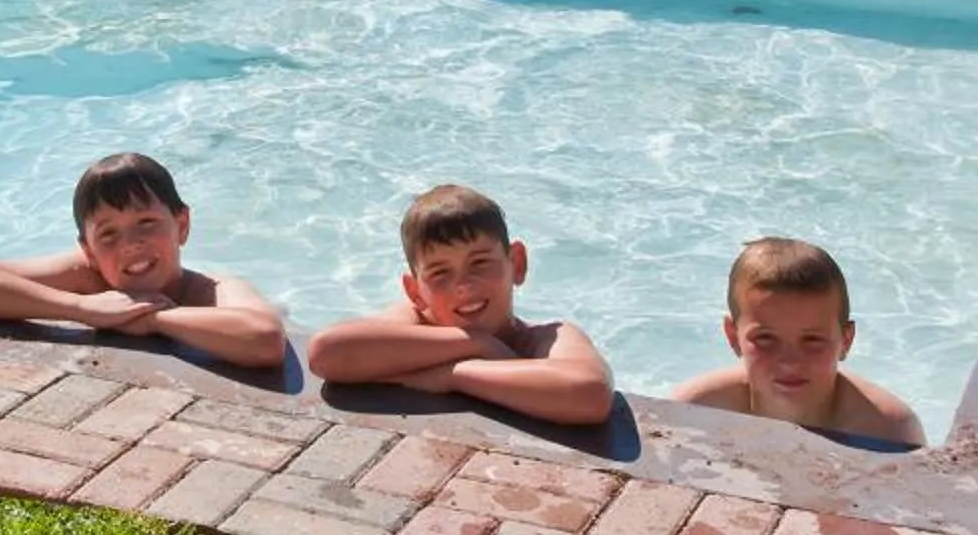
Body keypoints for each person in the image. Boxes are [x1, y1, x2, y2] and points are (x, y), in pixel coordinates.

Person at [0, 152, 288, 370]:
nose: (131, 244)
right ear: (88, 249)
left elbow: (265, 341)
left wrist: (154, 319)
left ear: (182, 225)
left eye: (146, 223)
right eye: (108, 234)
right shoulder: (88, 277)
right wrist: (82, 308)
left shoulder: (212, 290)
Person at [302, 183, 614, 426]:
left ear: (516, 264)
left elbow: (591, 394)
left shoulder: (545, 338)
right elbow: (326, 353)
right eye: (439, 273)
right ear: (415, 291)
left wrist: (453, 376)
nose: (463, 286)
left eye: (479, 262)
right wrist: (476, 342)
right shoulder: (413, 321)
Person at [667, 237, 924, 448]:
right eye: (765, 339)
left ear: (846, 340)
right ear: (733, 337)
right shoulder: (695, 410)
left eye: (812, 339)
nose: (790, 361)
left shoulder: (889, 431)